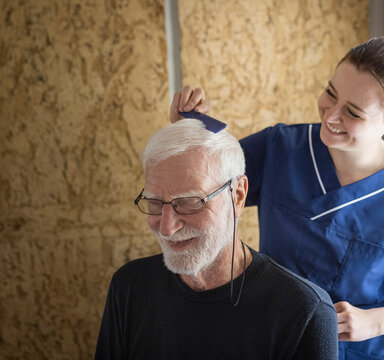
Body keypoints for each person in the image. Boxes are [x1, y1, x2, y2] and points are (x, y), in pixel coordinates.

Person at [170, 36, 384, 360]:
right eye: (330, 93)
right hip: (276, 342)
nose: (331, 116)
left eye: (352, 112)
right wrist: (188, 132)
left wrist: (373, 323)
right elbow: (206, 188)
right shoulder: (279, 148)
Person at [94, 119, 339, 359]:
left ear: (238, 196)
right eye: (155, 203)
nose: (167, 228)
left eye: (190, 202)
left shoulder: (304, 311)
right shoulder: (130, 287)